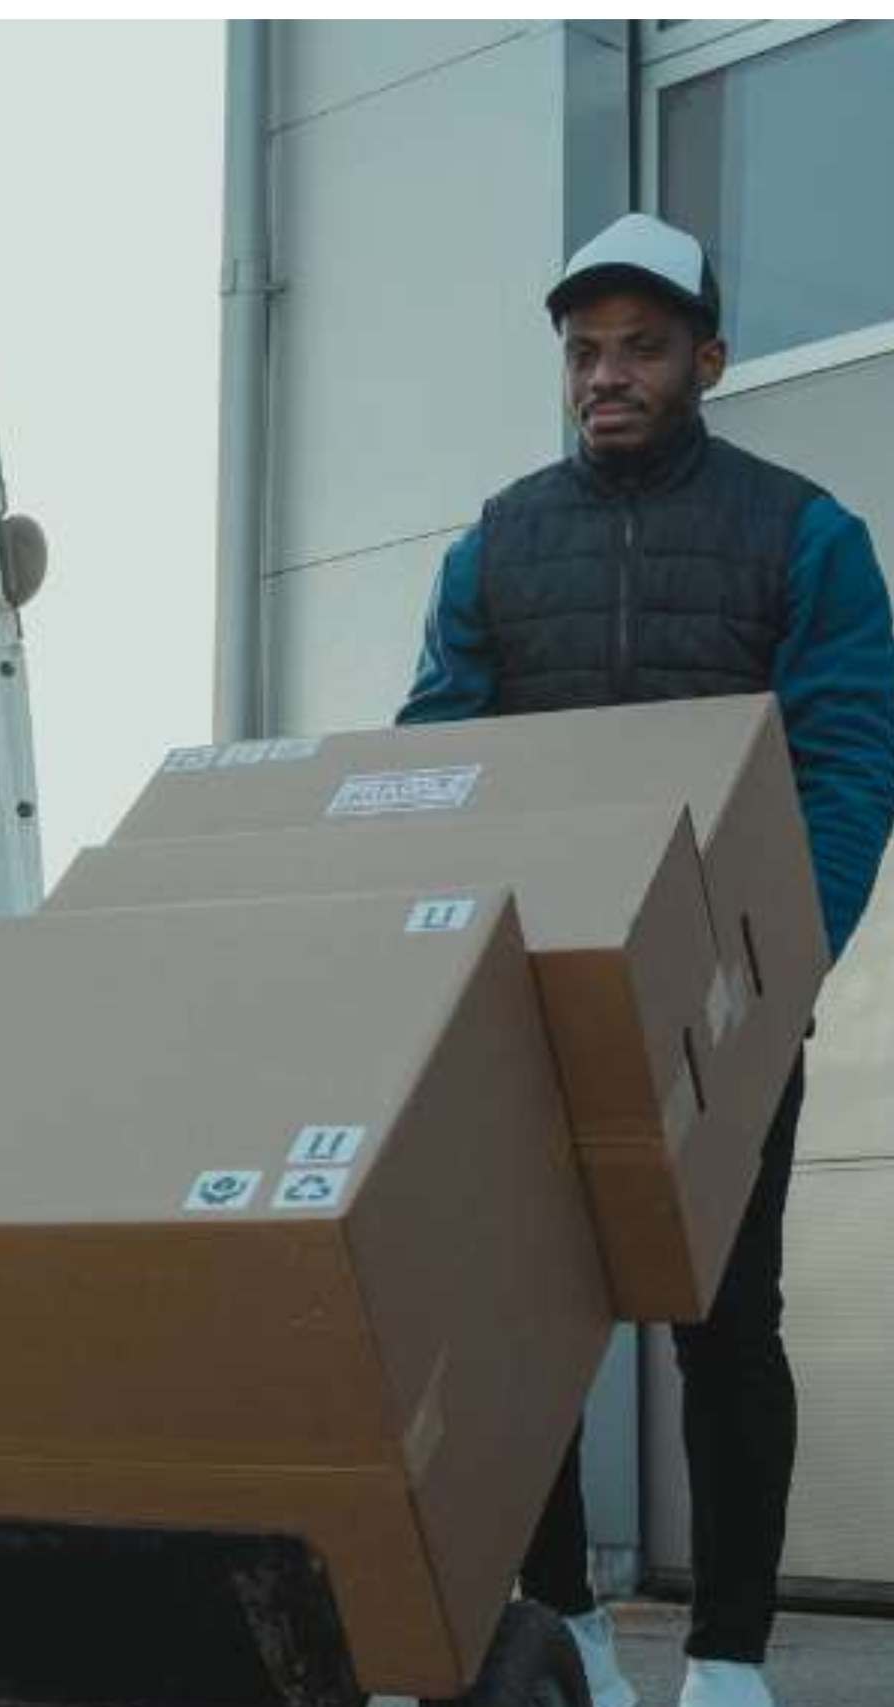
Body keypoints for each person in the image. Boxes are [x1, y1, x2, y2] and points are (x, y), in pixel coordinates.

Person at [400, 213, 894, 1707]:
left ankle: (732, 1659)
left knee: (725, 1322)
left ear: (709, 361)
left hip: (724, 1004)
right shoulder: (497, 541)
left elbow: (848, 764)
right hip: (531, 999)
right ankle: (578, 1632)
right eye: (584, 351)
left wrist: (778, 977)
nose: (606, 375)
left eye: (642, 347)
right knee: (530, 1325)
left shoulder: (804, 536)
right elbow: (440, 743)